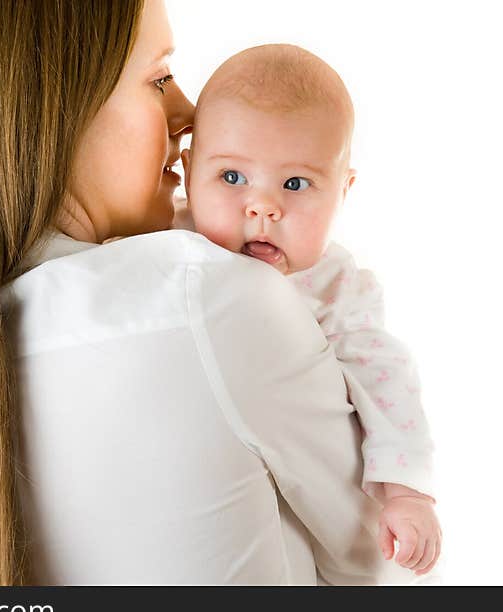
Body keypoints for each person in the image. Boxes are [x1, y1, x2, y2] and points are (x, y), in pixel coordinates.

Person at [0, 0, 416, 585]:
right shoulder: (218, 301)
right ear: (54, 107)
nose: (188, 115)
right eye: (159, 78)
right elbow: (380, 556)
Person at [174, 44, 441, 576]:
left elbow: (386, 379)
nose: (263, 207)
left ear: (343, 192)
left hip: (300, 495)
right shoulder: (166, 238)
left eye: (295, 184)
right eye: (232, 177)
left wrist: (408, 494)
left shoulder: (337, 285)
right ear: (187, 170)